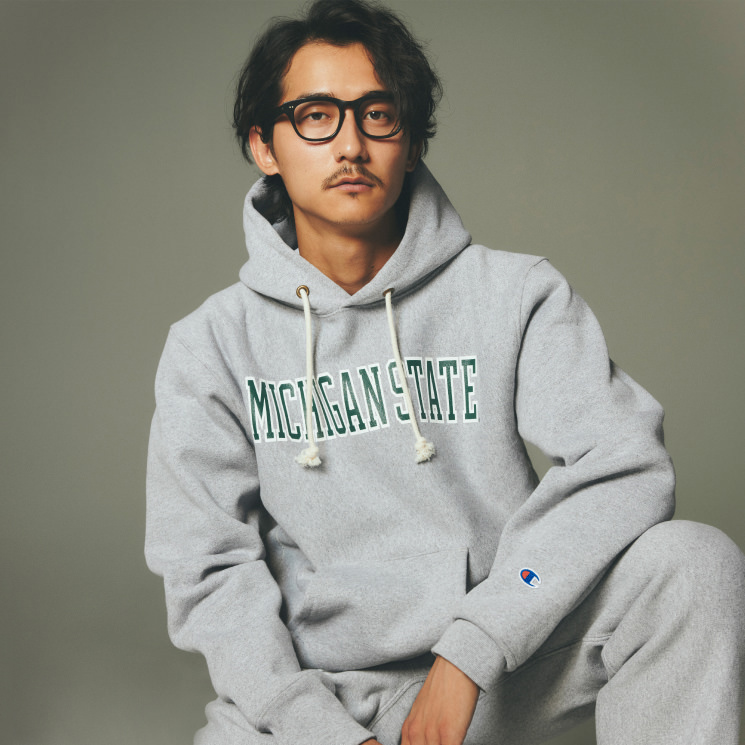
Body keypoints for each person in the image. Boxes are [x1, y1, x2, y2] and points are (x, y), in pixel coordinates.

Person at [145, 1, 745, 743]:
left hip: (504, 662)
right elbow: (209, 574)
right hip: (320, 694)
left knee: (691, 564)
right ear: (264, 145)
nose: (350, 145)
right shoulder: (210, 345)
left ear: (412, 141)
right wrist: (316, 726)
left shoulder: (514, 294)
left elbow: (623, 466)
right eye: (316, 117)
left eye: (377, 115)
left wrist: (476, 645)